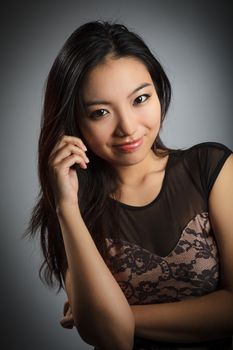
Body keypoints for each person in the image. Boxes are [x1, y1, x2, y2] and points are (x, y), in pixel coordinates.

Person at [24, 20, 233, 350]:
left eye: (140, 99)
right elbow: (112, 339)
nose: (127, 127)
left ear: (158, 91)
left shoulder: (212, 168)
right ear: (73, 121)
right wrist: (65, 207)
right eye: (101, 112)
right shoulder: (74, 207)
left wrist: (114, 315)